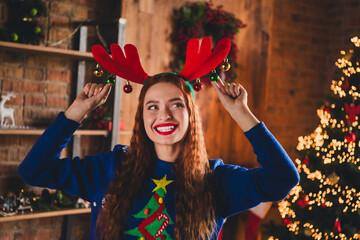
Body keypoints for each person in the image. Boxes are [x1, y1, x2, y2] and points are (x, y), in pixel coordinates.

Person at [18, 38, 299, 240]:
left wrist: (242, 115)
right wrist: (75, 113)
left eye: (176, 105)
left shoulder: (216, 180)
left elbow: (283, 179)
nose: (163, 115)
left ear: (191, 115)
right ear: (142, 117)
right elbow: (34, 170)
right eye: (152, 106)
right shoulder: (111, 167)